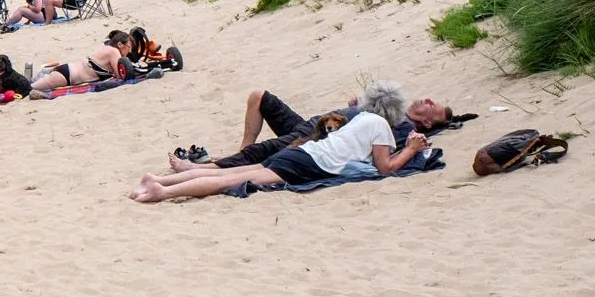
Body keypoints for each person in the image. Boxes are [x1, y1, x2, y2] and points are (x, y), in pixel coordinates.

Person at [131, 82, 431, 202]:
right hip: (309, 162)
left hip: (305, 151)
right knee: (226, 181)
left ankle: (158, 179)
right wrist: (410, 149)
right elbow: (385, 167)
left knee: (230, 174)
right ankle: (162, 192)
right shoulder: (380, 127)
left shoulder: (359, 119)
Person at [179, 88, 460, 171]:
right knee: (258, 97)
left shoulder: (402, 126)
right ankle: (241, 154)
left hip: (318, 137)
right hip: (312, 122)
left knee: (267, 150)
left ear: (427, 123)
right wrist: (359, 106)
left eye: (433, 106)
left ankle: (211, 168)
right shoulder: (389, 108)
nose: (428, 99)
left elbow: (379, 150)